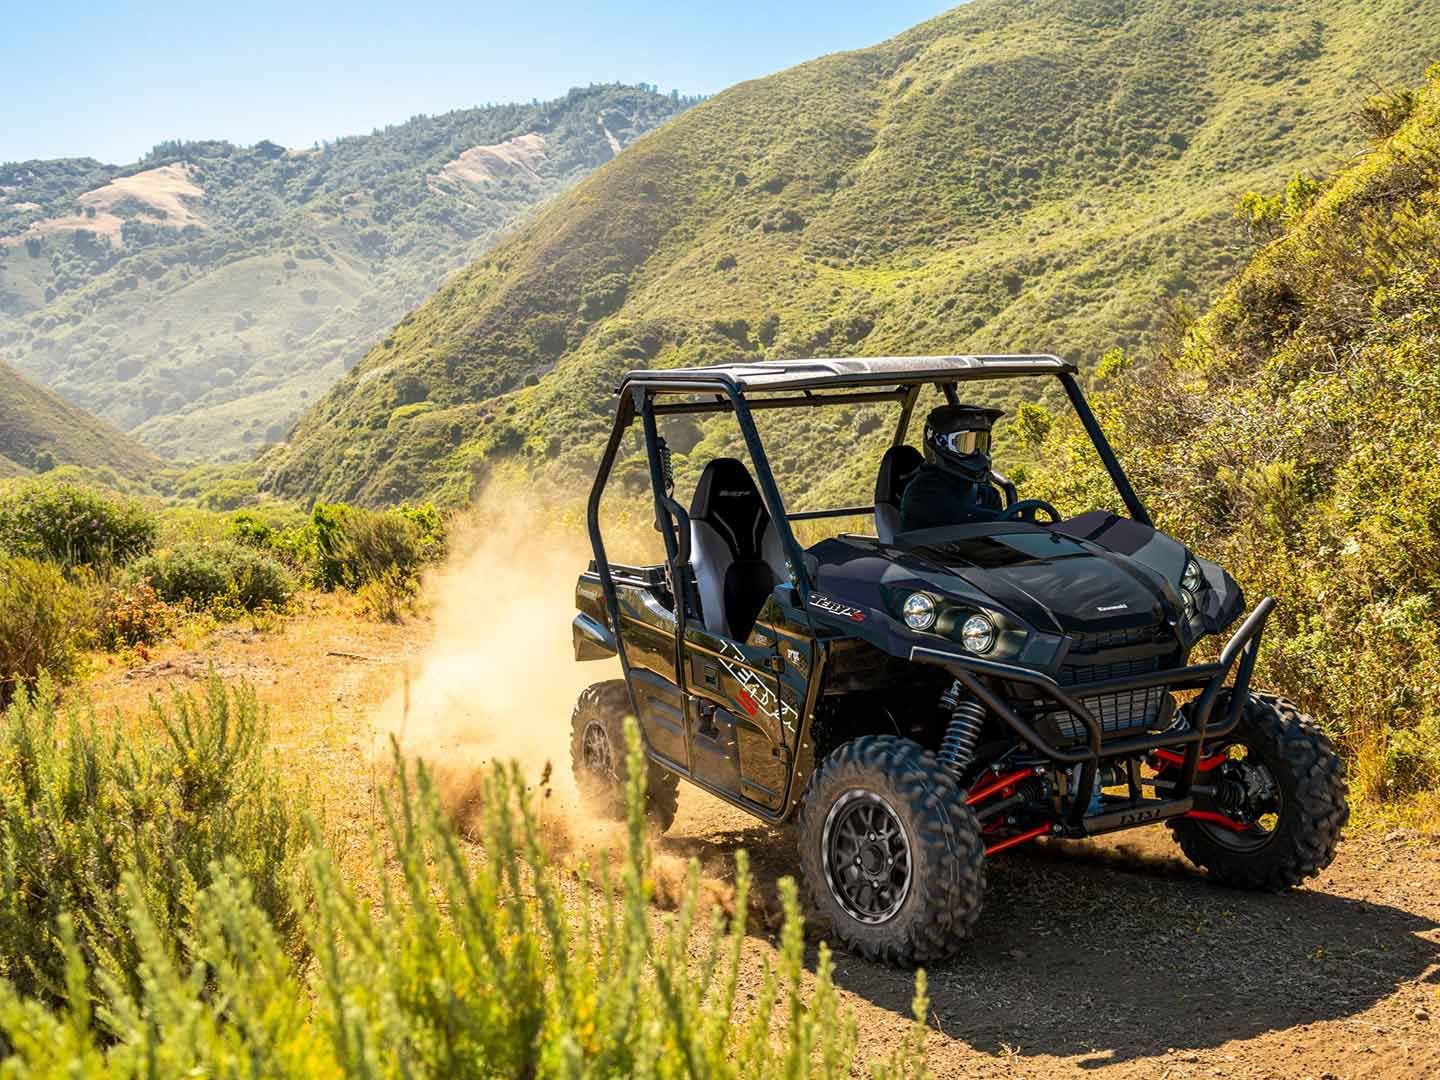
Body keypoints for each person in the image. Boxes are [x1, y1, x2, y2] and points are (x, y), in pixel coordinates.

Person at [899, 404, 1005, 532]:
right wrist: (1009, 520)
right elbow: (962, 519)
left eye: (981, 443)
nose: (977, 453)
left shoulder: (986, 492)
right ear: (939, 443)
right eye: (966, 444)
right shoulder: (921, 492)